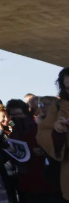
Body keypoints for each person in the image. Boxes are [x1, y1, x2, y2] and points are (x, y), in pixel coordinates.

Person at [35, 67, 68, 202]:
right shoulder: (59, 108)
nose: (42, 107)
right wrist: (57, 132)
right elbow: (42, 135)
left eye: (45, 104)